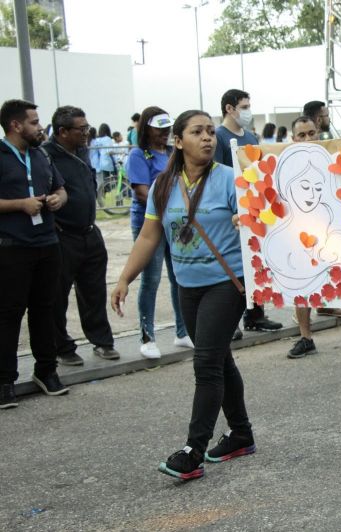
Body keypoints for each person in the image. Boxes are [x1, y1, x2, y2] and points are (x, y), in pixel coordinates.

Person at [112, 110, 256, 480]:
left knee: (206, 363)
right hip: (187, 287)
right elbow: (148, 237)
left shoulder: (231, 179)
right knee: (219, 359)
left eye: (210, 131)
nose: (208, 138)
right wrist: (125, 278)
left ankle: (193, 449)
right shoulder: (163, 185)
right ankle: (241, 434)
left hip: (228, 283)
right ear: (178, 140)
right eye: (197, 132)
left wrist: (249, 221)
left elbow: (262, 223)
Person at [0, 99, 69, 409]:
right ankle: (5, 380)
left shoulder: (40, 155)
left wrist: (58, 198)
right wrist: (19, 205)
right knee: (9, 313)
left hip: (47, 243)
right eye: (34, 122)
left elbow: (62, 188)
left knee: (46, 308)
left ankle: (46, 370)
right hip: (12, 247)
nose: (40, 127)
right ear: (16, 125)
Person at [283, 118, 341, 359]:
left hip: (329, 230)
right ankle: (305, 338)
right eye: (302, 135)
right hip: (298, 232)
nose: (308, 139)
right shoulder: (286, 164)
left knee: (332, 279)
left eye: (312, 133)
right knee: (300, 282)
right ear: (293, 139)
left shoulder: (332, 160)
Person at [42, 106, 120, 367]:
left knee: (94, 291)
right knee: (57, 295)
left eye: (87, 127)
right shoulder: (45, 155)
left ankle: (102, 341)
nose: (87, 133)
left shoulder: (83, 151)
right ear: (63, 132)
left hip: (90, 233)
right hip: (63, 236)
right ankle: (61, 346)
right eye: (82, 129)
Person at [214, 89, 283, 336]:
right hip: (231, 211)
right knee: (233, 266)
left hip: (253, 206)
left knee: (256, 261)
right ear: (229, 109)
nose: (248, 111)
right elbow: (218, 175)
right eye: (244, 106)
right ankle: (230, 321)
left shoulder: (251, 137)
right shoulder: (219, 138)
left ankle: (256, 315)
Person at [126, 106, 190, 359]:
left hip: (174, 224)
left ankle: (182, 332)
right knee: (151, 279)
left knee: (178, 278)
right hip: (149, 224)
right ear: (147, 128)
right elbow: (142, 192)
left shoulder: (174, 152)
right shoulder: (138, 155)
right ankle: (147, 336)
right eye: (159, 128)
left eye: (167, 128)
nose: (164, 132)